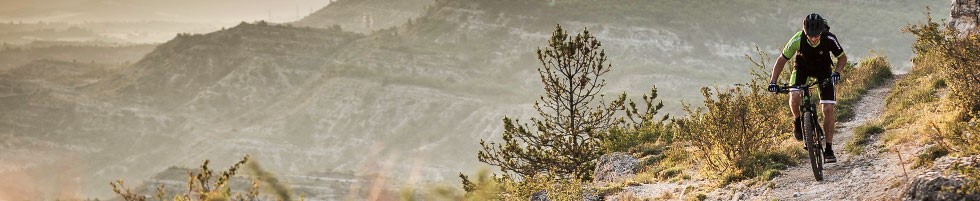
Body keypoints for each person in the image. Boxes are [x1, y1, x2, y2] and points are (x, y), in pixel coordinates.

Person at [767, 13, 846, 163]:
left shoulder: (829, 38)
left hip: (824, 72)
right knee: (794, 94)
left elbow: (842, 57)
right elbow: (781, 60)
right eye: (810, 35)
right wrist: (773, 82)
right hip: (802, 70)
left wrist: (837, 72)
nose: (814, 38)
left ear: (822, 31)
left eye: (817, 35)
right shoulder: (798, 39)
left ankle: (829, 149)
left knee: (828, 109)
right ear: (805, 31)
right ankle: (797, 121)